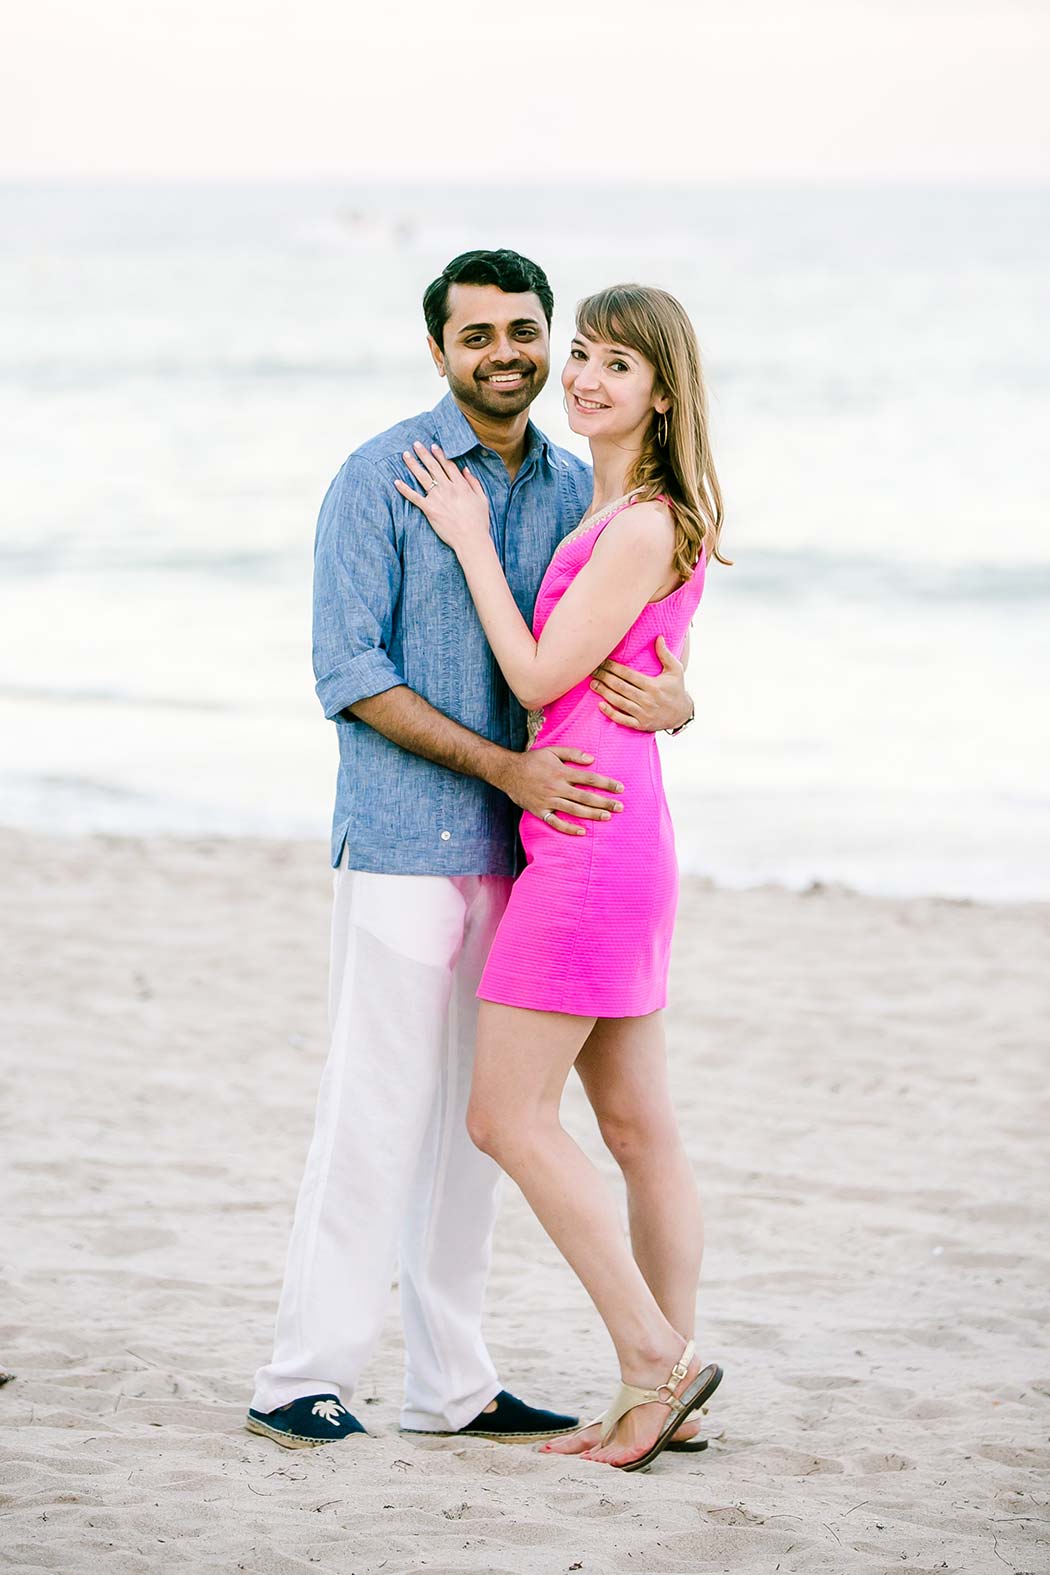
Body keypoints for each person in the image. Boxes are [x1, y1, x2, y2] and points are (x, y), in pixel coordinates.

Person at [246, 252, 695, 1450]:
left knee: (481, 1124)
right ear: (439, 349)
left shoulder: (571, 485)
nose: (509, 353)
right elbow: (349, 675)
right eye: (479, 334)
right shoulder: (379, 475)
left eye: (526, 331)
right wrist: (504, 768)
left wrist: (678, 693)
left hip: (529, 854)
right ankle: (301, 1375)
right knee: (375, 1106)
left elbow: (615, 634)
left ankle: (455, 1385)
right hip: (402, 840)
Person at [394, 282, 727, 1472]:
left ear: (662, 392)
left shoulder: (637, 521)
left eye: (615, 365)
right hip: (621, 834)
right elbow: (646, 671)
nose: (584, 378)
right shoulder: (644, 514)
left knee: (505, 1116)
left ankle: (654, 1361)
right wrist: (681, 704)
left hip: (589, 845)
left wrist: (474, 539)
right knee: (638, 1129)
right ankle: (666, 1388)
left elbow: (537, 680)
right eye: (579, 354)